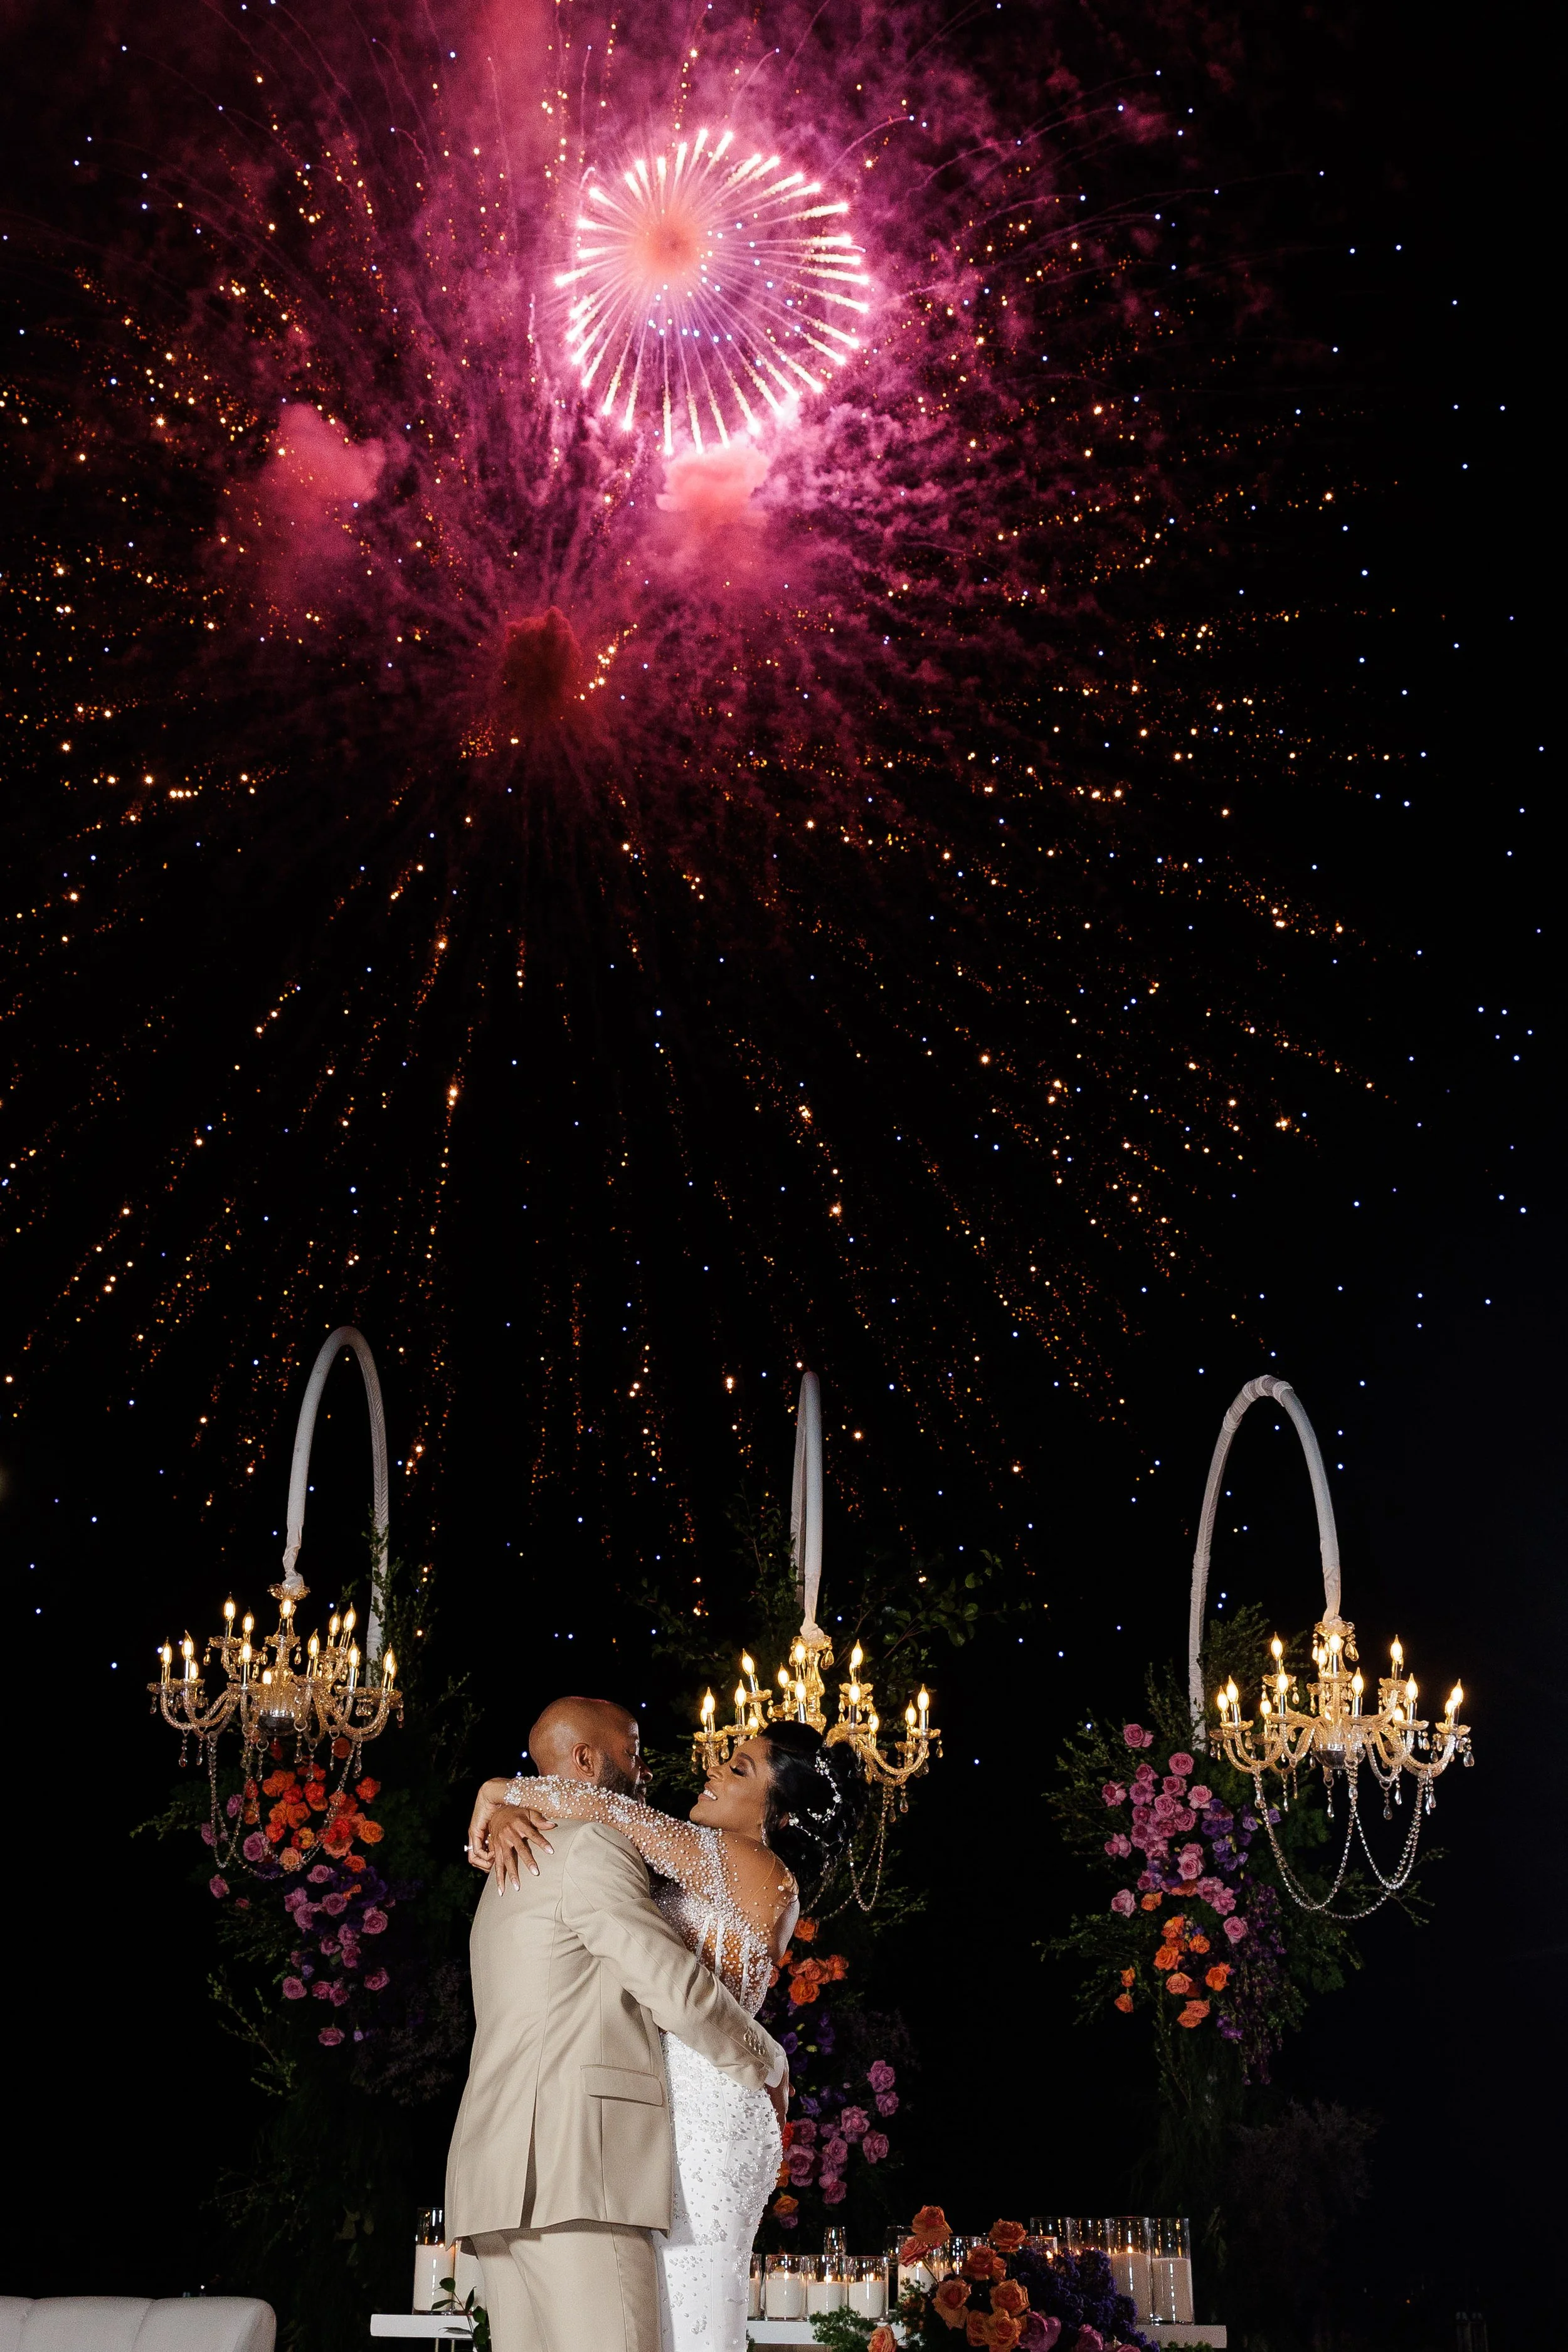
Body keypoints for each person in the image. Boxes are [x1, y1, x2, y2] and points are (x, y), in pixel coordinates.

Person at [467, 1703, 865, 2352]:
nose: (713, 1771)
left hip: (706, 2096)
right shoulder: (685, 1862)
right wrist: (512, 1814)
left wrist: (497, 1792)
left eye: (738, 1769)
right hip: (653, 2101)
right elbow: (587, 1851)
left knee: (688, 2312)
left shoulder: (754, 1866)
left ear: (782, 1814)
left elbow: (615, 1814)